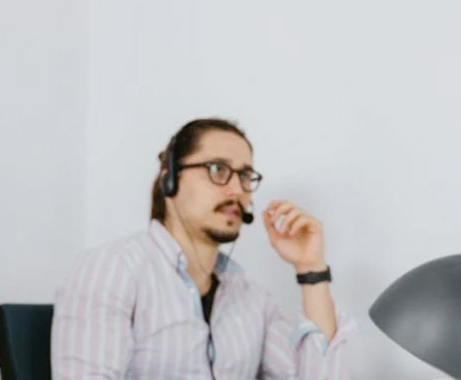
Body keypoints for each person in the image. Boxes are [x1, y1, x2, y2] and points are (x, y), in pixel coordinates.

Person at [51, 118, 353, 379]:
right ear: (170, 179)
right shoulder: (112, 270)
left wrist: (310, 268)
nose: (236, 190)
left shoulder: (253, 300)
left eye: (245, 176)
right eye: (217, 169)